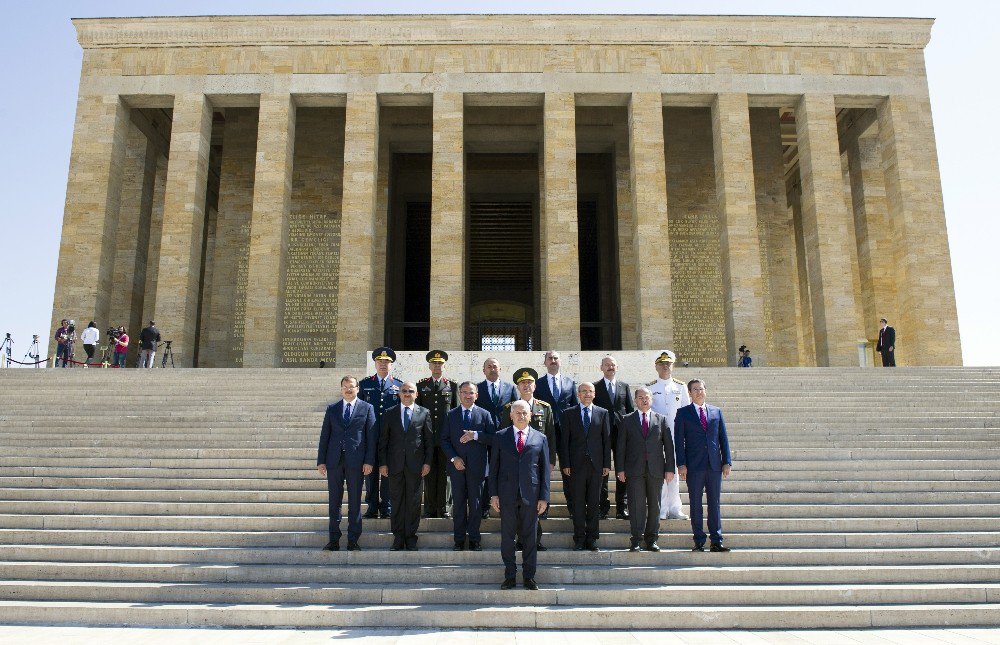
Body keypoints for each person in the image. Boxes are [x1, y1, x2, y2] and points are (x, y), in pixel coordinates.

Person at [489, 400, 550, 591]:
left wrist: (544, 497)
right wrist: (493, 495)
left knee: (530, 539)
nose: (521, 416)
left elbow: (544, 471)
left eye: (525, 413)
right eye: (517, 413)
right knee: (507, 539)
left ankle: (529, 577)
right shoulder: (500, 437)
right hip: (506, 495)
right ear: (511, 416)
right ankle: (510, 576)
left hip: (530, 496)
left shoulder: (540, 438)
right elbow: (494, 469)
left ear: (531, 415)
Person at [496, 367, 556, 550]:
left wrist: (550, 460)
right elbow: (504, 437)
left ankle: (534, 541)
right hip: (514, 465)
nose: (526, 386)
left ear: (535, 386)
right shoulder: (509, 409)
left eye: (529, 383)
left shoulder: (544, 408)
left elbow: (551, 435)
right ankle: (520, 540)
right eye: (523, 383)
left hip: (536, 463)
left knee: (534, 505)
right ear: (517, 387)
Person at [317, 376, 376, 551]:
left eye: (352, 387)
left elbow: (371, 437)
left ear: (358, 388)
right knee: (334, 501)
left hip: (356, 461)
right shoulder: (332, 409)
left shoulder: (367, 408)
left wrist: (369, 461)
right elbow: (325, 435)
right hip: (334, 461)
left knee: (355, 502)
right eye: (345, 387)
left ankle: (353, 539)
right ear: (341, 389)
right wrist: (321, 461)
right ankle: (334, 539)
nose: (348, 390)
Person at [675, 379, 732, 553]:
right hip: (694, 466)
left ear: (705, 391)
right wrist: (681, 464)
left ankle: (716, 540)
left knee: (714, 503)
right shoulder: (683, 413)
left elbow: (723, 437)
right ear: (690, 393)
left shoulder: (716, 411)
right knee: (696, 504)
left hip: (714, 465)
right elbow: (679, 441)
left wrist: (726, 461)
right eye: (695, 389)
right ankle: (699, 540)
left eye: (701, 389)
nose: (699, 392)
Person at [617, 386, 675, 552]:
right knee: (636, 506)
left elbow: (669, 447)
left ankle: (652, 540)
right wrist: (620, 469)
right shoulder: (627, 420)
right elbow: (621, 447)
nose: (644, 400)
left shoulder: (661, 420)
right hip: (634, 470)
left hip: (656, 470)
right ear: (635, 400)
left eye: (647, 397)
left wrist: (669, 468)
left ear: (651, 399)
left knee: (655, 506)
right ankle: (636, 539)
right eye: (640, 397)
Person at [441, 381, 496, 551]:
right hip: (456, 468)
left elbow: (494, 438)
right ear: (459, 394)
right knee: (458, 505)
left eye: (470, 393)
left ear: (476, 395)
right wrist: (454, 458)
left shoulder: (485, 414)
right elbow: (444, 440)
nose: (467, 395)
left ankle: (474, 539)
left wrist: (476, 435)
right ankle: (459, 540)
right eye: (464, 392)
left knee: (476, 504)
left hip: (477, 468)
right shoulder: (451, 415)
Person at [378, 381, 433, 551]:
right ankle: (398, 537)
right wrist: (383, 464)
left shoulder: (424, 413)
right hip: (394, 466)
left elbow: (428, 442)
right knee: (396, 502)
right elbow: (383, 441)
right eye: (404, 391)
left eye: (411, 391)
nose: (407, 393)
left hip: (416, 466)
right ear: (399, 394)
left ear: (416, 394)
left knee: (414, 503)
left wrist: (427, 463)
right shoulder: (390, 413)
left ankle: (410, 538)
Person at [560, 382, 611, 551]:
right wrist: (565, 463)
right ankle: (579, 538)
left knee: (594, 503)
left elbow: (606, 440)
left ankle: (592, 538)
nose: (587, 394)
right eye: (584, 391)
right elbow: (564, 441)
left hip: (596, 466)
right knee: (578, 504)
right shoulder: (568, 414)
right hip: (575, 466)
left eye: (590, 391)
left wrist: (606, 464)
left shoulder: (603, 413)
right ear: (578, 394)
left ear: (594, 394)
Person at [358, 347, 402, 519]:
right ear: (375, 363)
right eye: (380, 361)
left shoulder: (399, 385)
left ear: (391, 365)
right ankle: (372, 505)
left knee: (387, 472)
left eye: (387, 362)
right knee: (370, 472)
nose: (383, 364)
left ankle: (387, 505)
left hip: (390, 437)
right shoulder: (365, 384)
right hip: (371, 436)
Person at [649, 350, 690, 520]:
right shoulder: (650, 387)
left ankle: (675, 507)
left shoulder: (680, 387)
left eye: (668, 364)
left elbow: (686, 411)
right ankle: (663, 507)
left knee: (674, 471)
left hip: (676, 434)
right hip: (658, 436)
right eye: (662, 364)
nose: (665, 366)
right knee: (660, 471)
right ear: (656, 366)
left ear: (672, 366)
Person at [417, 350, 458, 519]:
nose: (437, 366)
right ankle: (429, 508)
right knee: (429, 473)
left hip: (445, 439)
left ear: (444, 366)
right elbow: (418, 413)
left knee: (446, 475)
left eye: (440, 363)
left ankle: (445, 507)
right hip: (428, 438)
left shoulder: (452, 386)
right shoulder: (420, 386)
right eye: (434, 363)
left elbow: (455, 413)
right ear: (429, 366)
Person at [534, 350, 578, 509]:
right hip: (545, 432)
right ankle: (542, 507)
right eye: (549, 358)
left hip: (567, 433)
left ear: (560, 361)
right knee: (543, 469)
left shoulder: (570, 383)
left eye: (555, 358)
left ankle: (572, 507)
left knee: (569, 471)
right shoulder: (537, 384)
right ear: (545, 362)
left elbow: (575, 408)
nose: (553, 361)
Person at [593, 355, 633, 520]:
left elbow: (630, 410)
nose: (610, 367)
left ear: (617, 367)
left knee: (621, 469)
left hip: (621, 432)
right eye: (607, 365)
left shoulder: (625, 386)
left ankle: (621, 507)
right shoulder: (595, 386)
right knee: (602, 471)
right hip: (601, 432)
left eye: (613, 365)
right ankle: (603, 507)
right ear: (601, 368)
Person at [476, 357, 515, 519]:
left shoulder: (510, 388)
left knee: (504, 473)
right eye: (489, 367)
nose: (492, 369)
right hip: (484, 438)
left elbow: (515, 410)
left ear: (500, 369)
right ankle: (484, 507)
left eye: (495, 367)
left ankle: (506, 506)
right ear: (483, 370)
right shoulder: (477, 388)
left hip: (505, 438)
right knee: (485, 474)